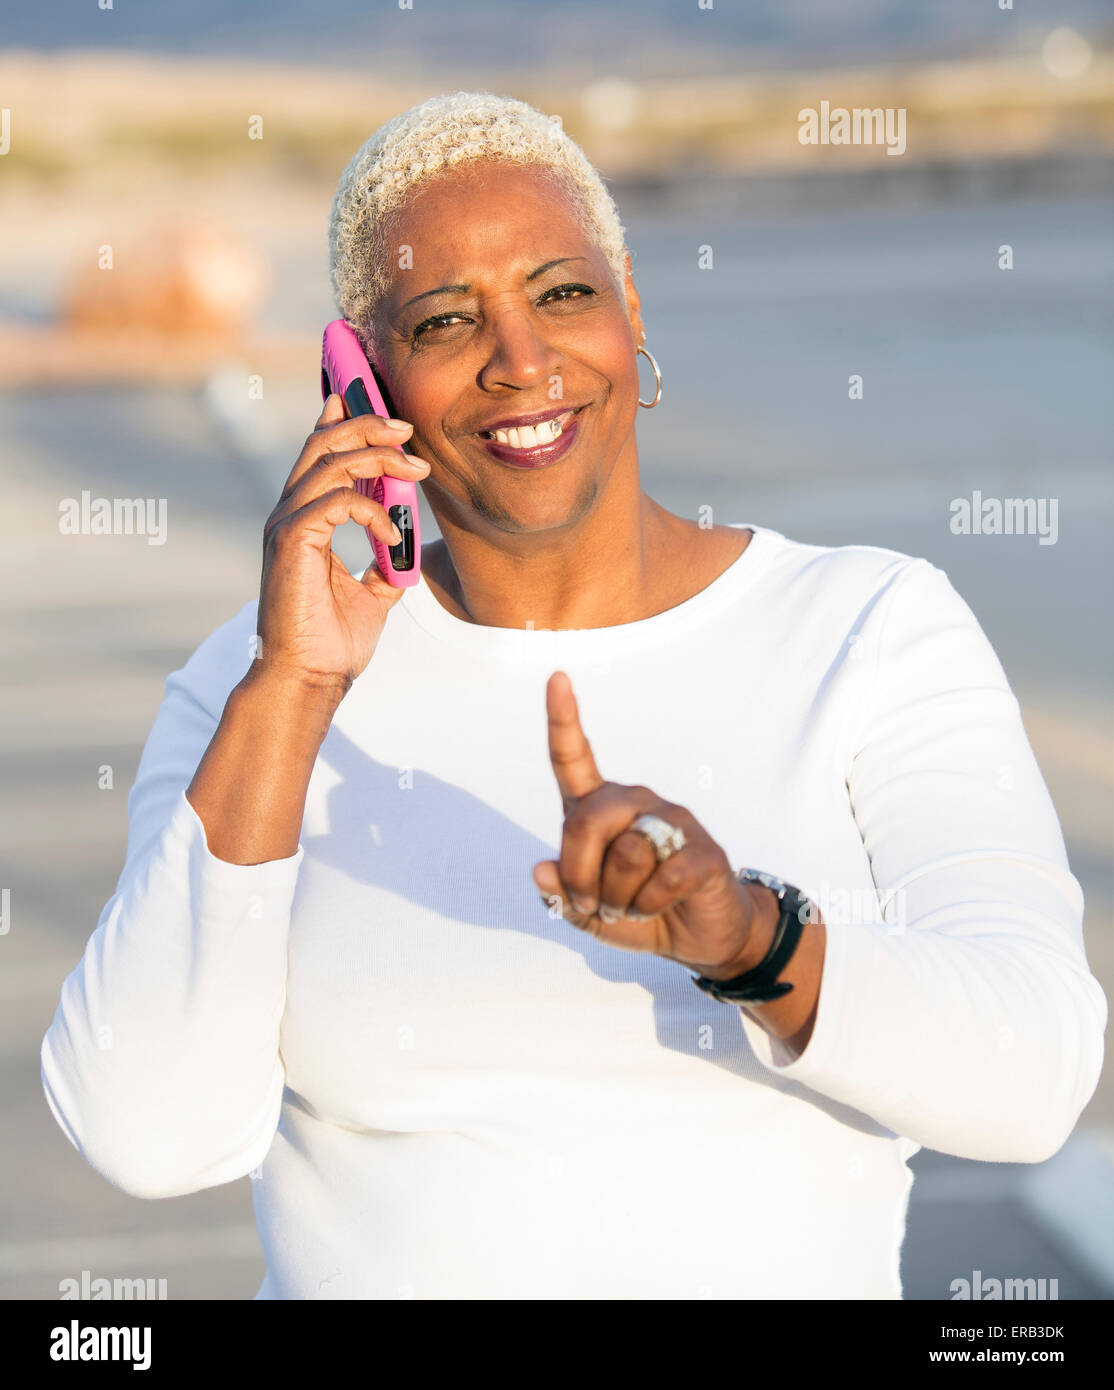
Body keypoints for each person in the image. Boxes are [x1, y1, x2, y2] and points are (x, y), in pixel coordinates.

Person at [41, 92, 1106, 1300]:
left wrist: (750, 939)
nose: (522, 360)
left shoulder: (868, 630)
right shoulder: (255, 689)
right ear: (363, 382)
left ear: (630, 307)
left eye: (561, 293)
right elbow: (145, 1132)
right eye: (445, 320)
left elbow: (1037, 1074)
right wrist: (293, 690)